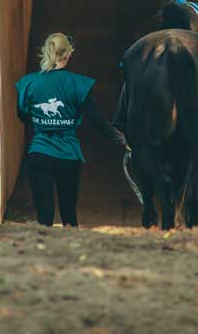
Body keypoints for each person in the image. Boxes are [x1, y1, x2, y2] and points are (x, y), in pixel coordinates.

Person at [15, 32, 129, 227]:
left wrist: (42, 126)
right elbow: (97, 121)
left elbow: (22, 115)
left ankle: (44, 254)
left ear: (46, 52)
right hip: (68, 156)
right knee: (69, 215)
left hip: (39, 154)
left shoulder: (29, 83)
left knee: (44, 216)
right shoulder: (77, 83)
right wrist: (121, 139)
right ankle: (73, 255)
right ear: (68, 55)